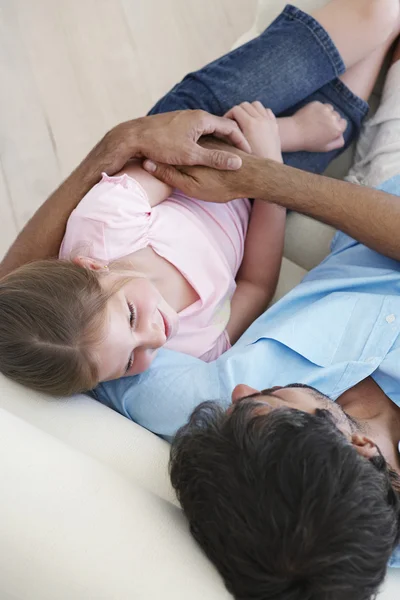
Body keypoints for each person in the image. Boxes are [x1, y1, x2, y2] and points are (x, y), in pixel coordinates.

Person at [1, 0, 400, 597]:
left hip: (334, 195)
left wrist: (124, 142)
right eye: (258, 405)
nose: (235, 386)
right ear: (361, 444)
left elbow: (23, 308)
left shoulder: (191, 398)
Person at [0, 31, 350, 396]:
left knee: (369, 19)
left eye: (132, 316)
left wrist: (288, 133)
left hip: (212, 134)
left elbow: (171, 160)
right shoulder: (195, 349)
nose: (154, 336)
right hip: (265, 196)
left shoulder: (105, 227)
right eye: (129, 363)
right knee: (346, 109)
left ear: (91, 268)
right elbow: (257, 285)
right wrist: (272, 170)